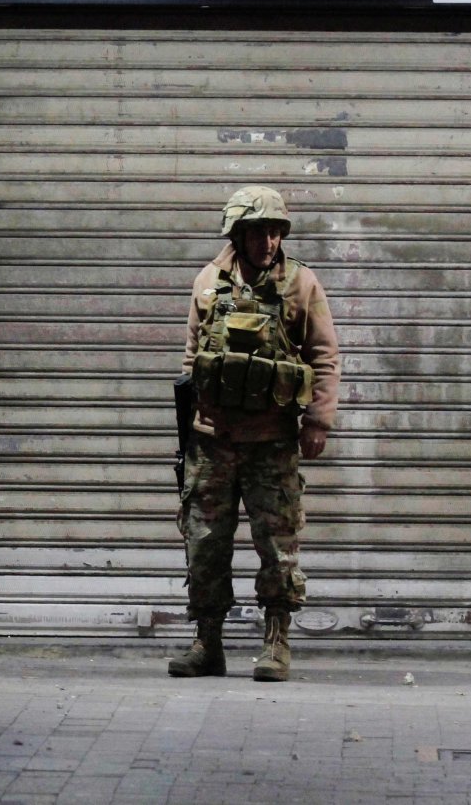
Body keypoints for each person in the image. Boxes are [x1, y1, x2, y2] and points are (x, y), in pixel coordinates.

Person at [171, 185, 340, 682]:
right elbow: (190, 358)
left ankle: (277, 641)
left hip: (271, 441)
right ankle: (207, 642)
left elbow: (324, 358)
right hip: (212, 439)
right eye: (258, 231)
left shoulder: (301, 284)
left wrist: (318, 421)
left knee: (278, 546)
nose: (268, 241)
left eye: (275, 231)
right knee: (204, 544)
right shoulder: (208, 282)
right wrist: (188, 436)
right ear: (237, 234)